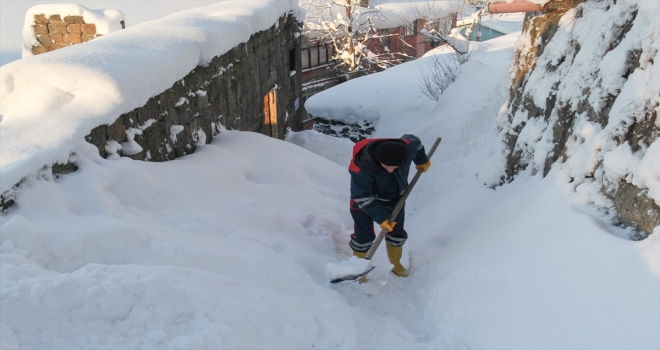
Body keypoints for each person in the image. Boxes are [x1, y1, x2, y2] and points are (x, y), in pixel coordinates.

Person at [348, 134, 431, 278]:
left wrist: (421, 160)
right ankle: (359, 271)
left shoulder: (406, 149)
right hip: (363, 203)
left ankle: (395, 264)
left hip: (395, 200)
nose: (391, 170)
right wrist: (381, 217)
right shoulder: (362, 169)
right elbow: (361, 196)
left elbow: (415, 142)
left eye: (396, 167)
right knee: (364, 236)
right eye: (387, 166)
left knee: (397, 233)